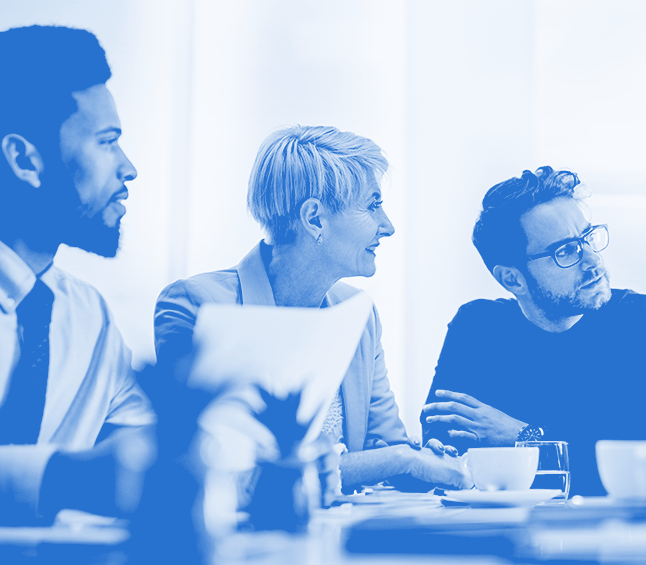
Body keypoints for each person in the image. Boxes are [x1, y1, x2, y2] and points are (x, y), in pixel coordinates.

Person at [153, 125, 468, 492]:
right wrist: (395, 460)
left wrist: (416, 462)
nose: (389, 226)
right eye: (373, 205)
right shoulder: (197, 304)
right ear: (315, 218)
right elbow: (222, 468)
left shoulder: (358, 313)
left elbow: (387, 446)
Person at [420, 166, 646, 497]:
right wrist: (587, 450)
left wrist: (523, 437)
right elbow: (446, 457)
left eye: (588, 237)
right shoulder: (476, 327)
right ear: (513, 279)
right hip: (503, 534)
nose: (593, 260)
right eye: (565, 251)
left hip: (620, 538)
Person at [0, 25, 156, 523]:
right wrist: (64, 478)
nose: (129, 169)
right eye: (107, 142)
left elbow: (143, 445)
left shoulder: (88, 316)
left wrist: (258, 468)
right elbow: (92, 476)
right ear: (24, 159)